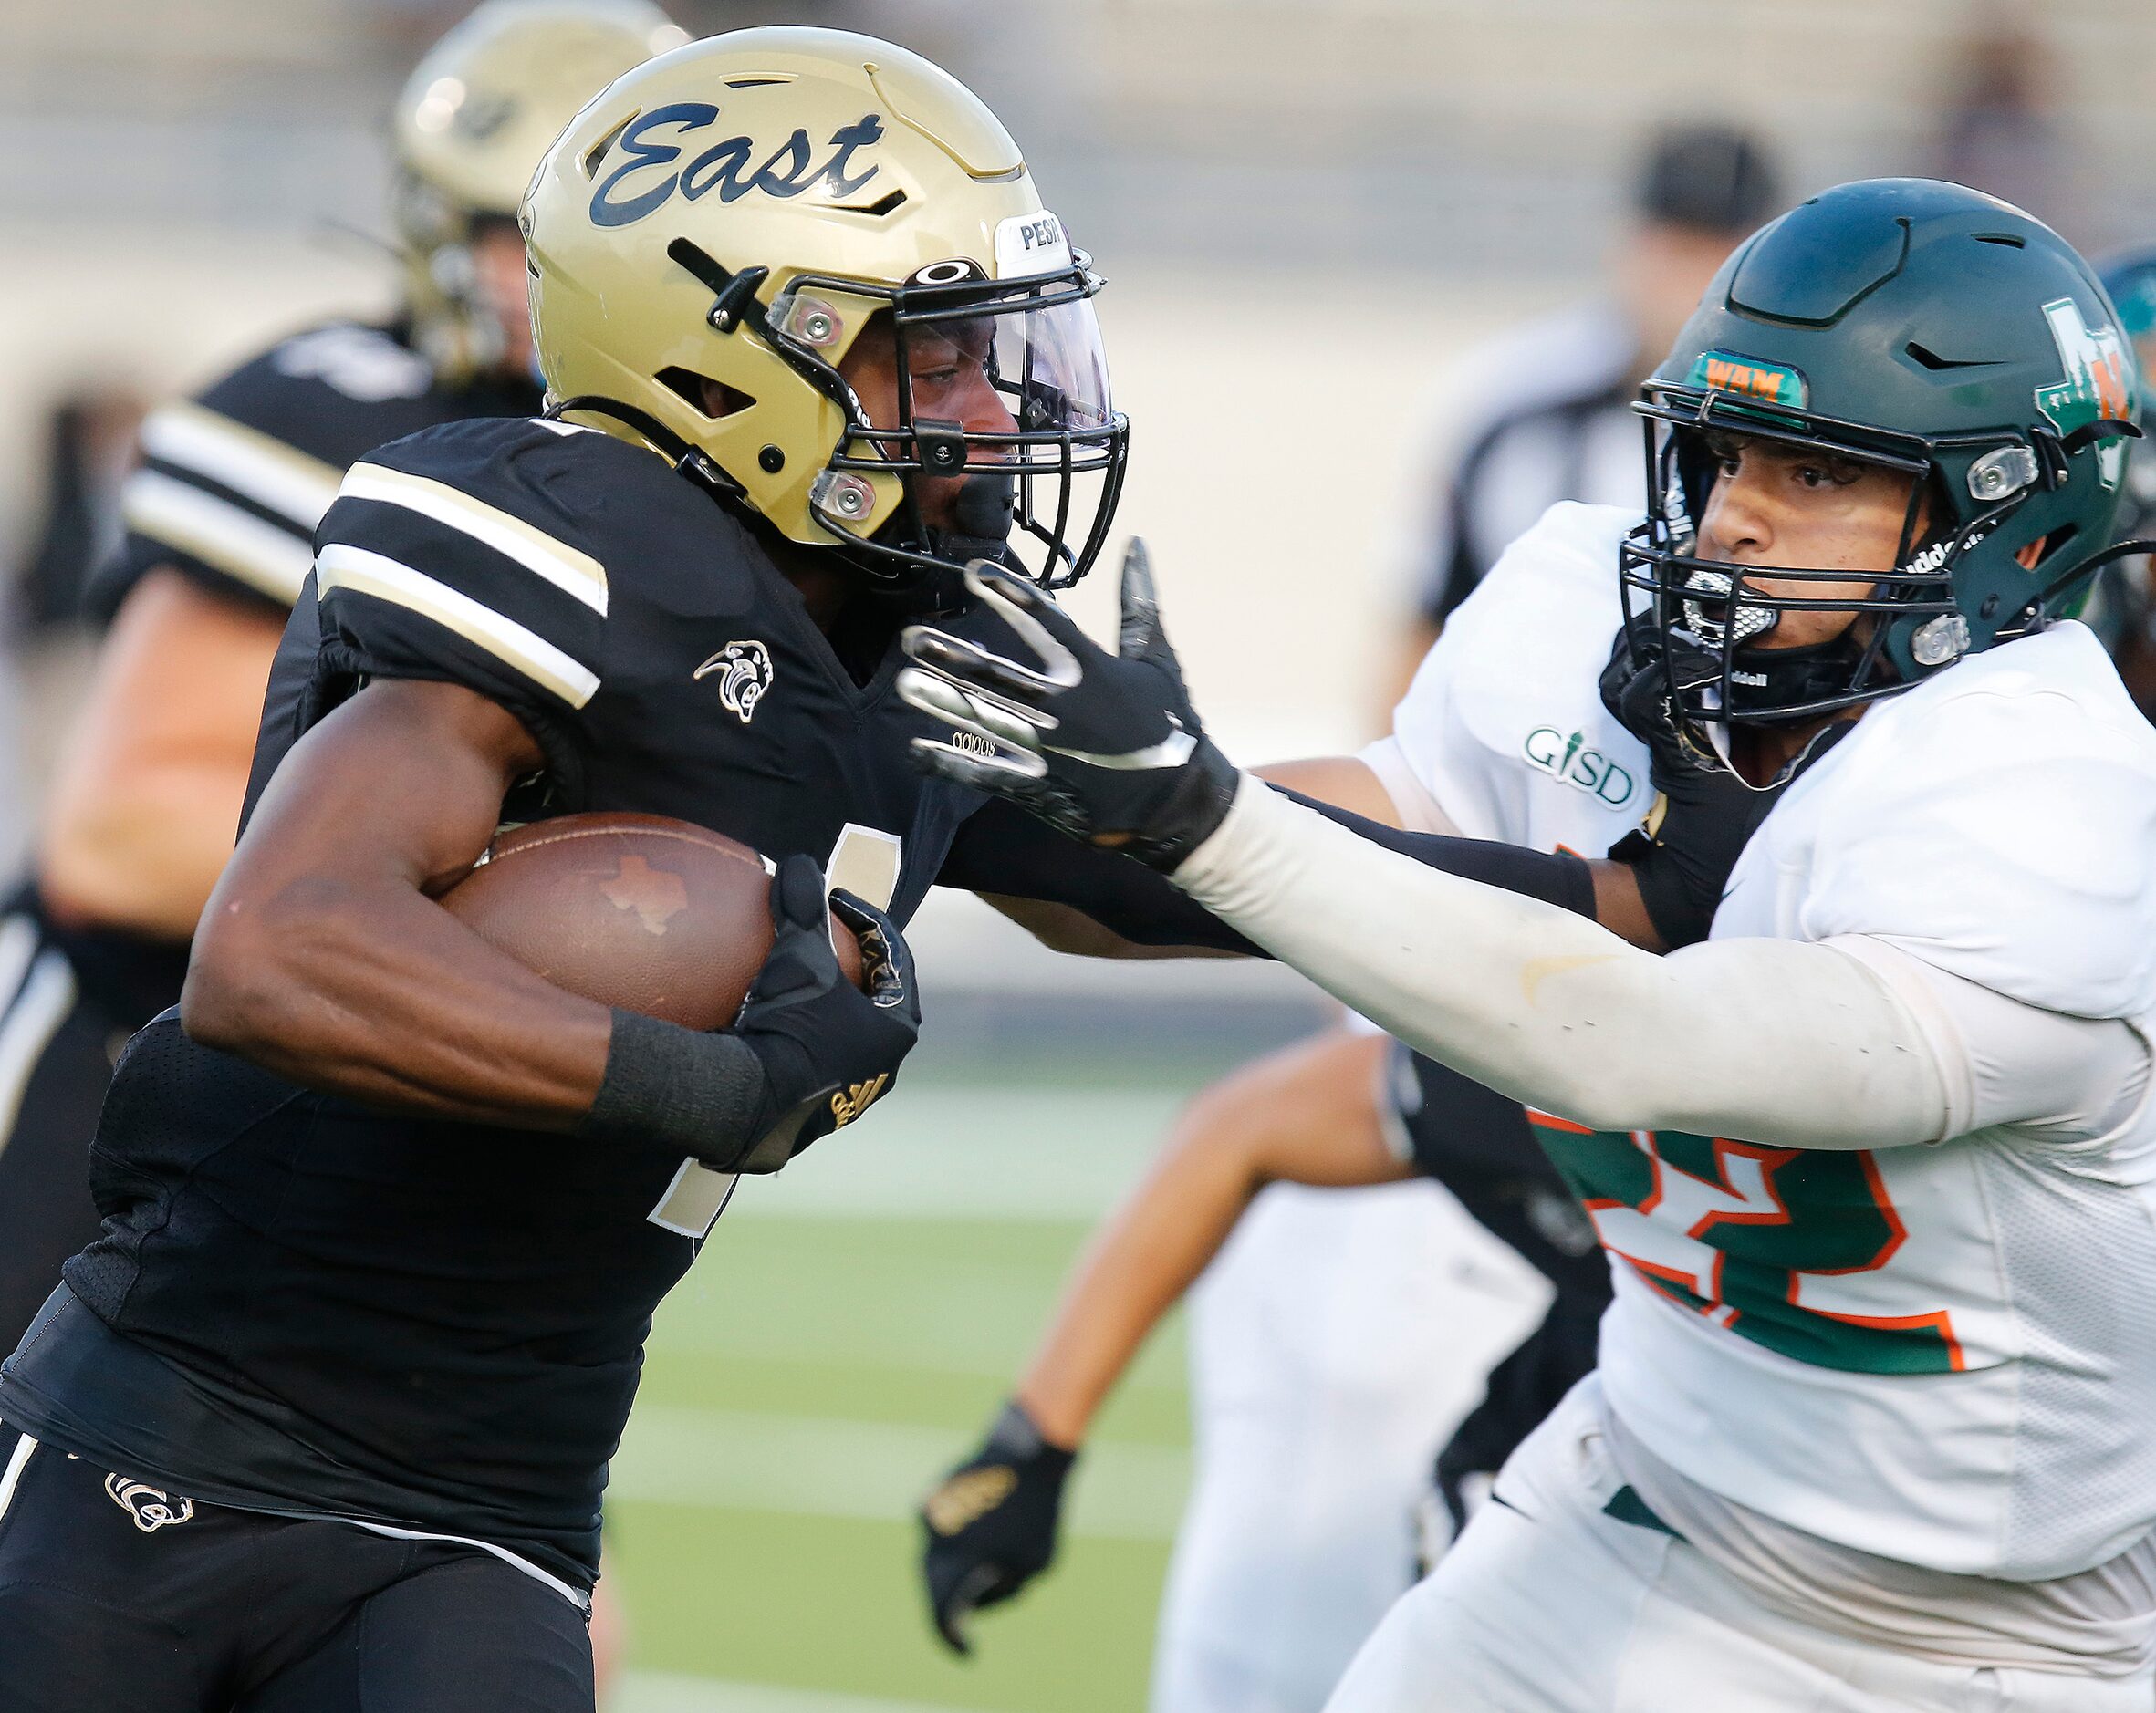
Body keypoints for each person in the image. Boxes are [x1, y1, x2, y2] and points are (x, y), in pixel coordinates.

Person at [902, 178, 2156, 1708]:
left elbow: (1623, 1033)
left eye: (1819, 471)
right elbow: (1173, 885)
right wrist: (909, 782)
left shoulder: (2041, 803)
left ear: (2000, 518)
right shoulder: (1598, 654)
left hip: (1990, 1632)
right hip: (1643, 1492)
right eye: (1724, 452)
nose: (1732, 517)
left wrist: (1197, 814)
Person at [0, 0, 684, 1362]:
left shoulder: (687, 491)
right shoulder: (339, 410)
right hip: (132, 1069)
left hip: (397, 1104)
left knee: (498, 1548)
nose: (524, 276)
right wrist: (531, 893)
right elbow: (123, 843)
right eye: (503, 229)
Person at [1388, 122, 1780, 696]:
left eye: (1718, 256)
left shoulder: (1803, 419)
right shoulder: (1513, 396)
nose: (1692, 285)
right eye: (1677, 249)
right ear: (1632, 243)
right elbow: (1424, 619)